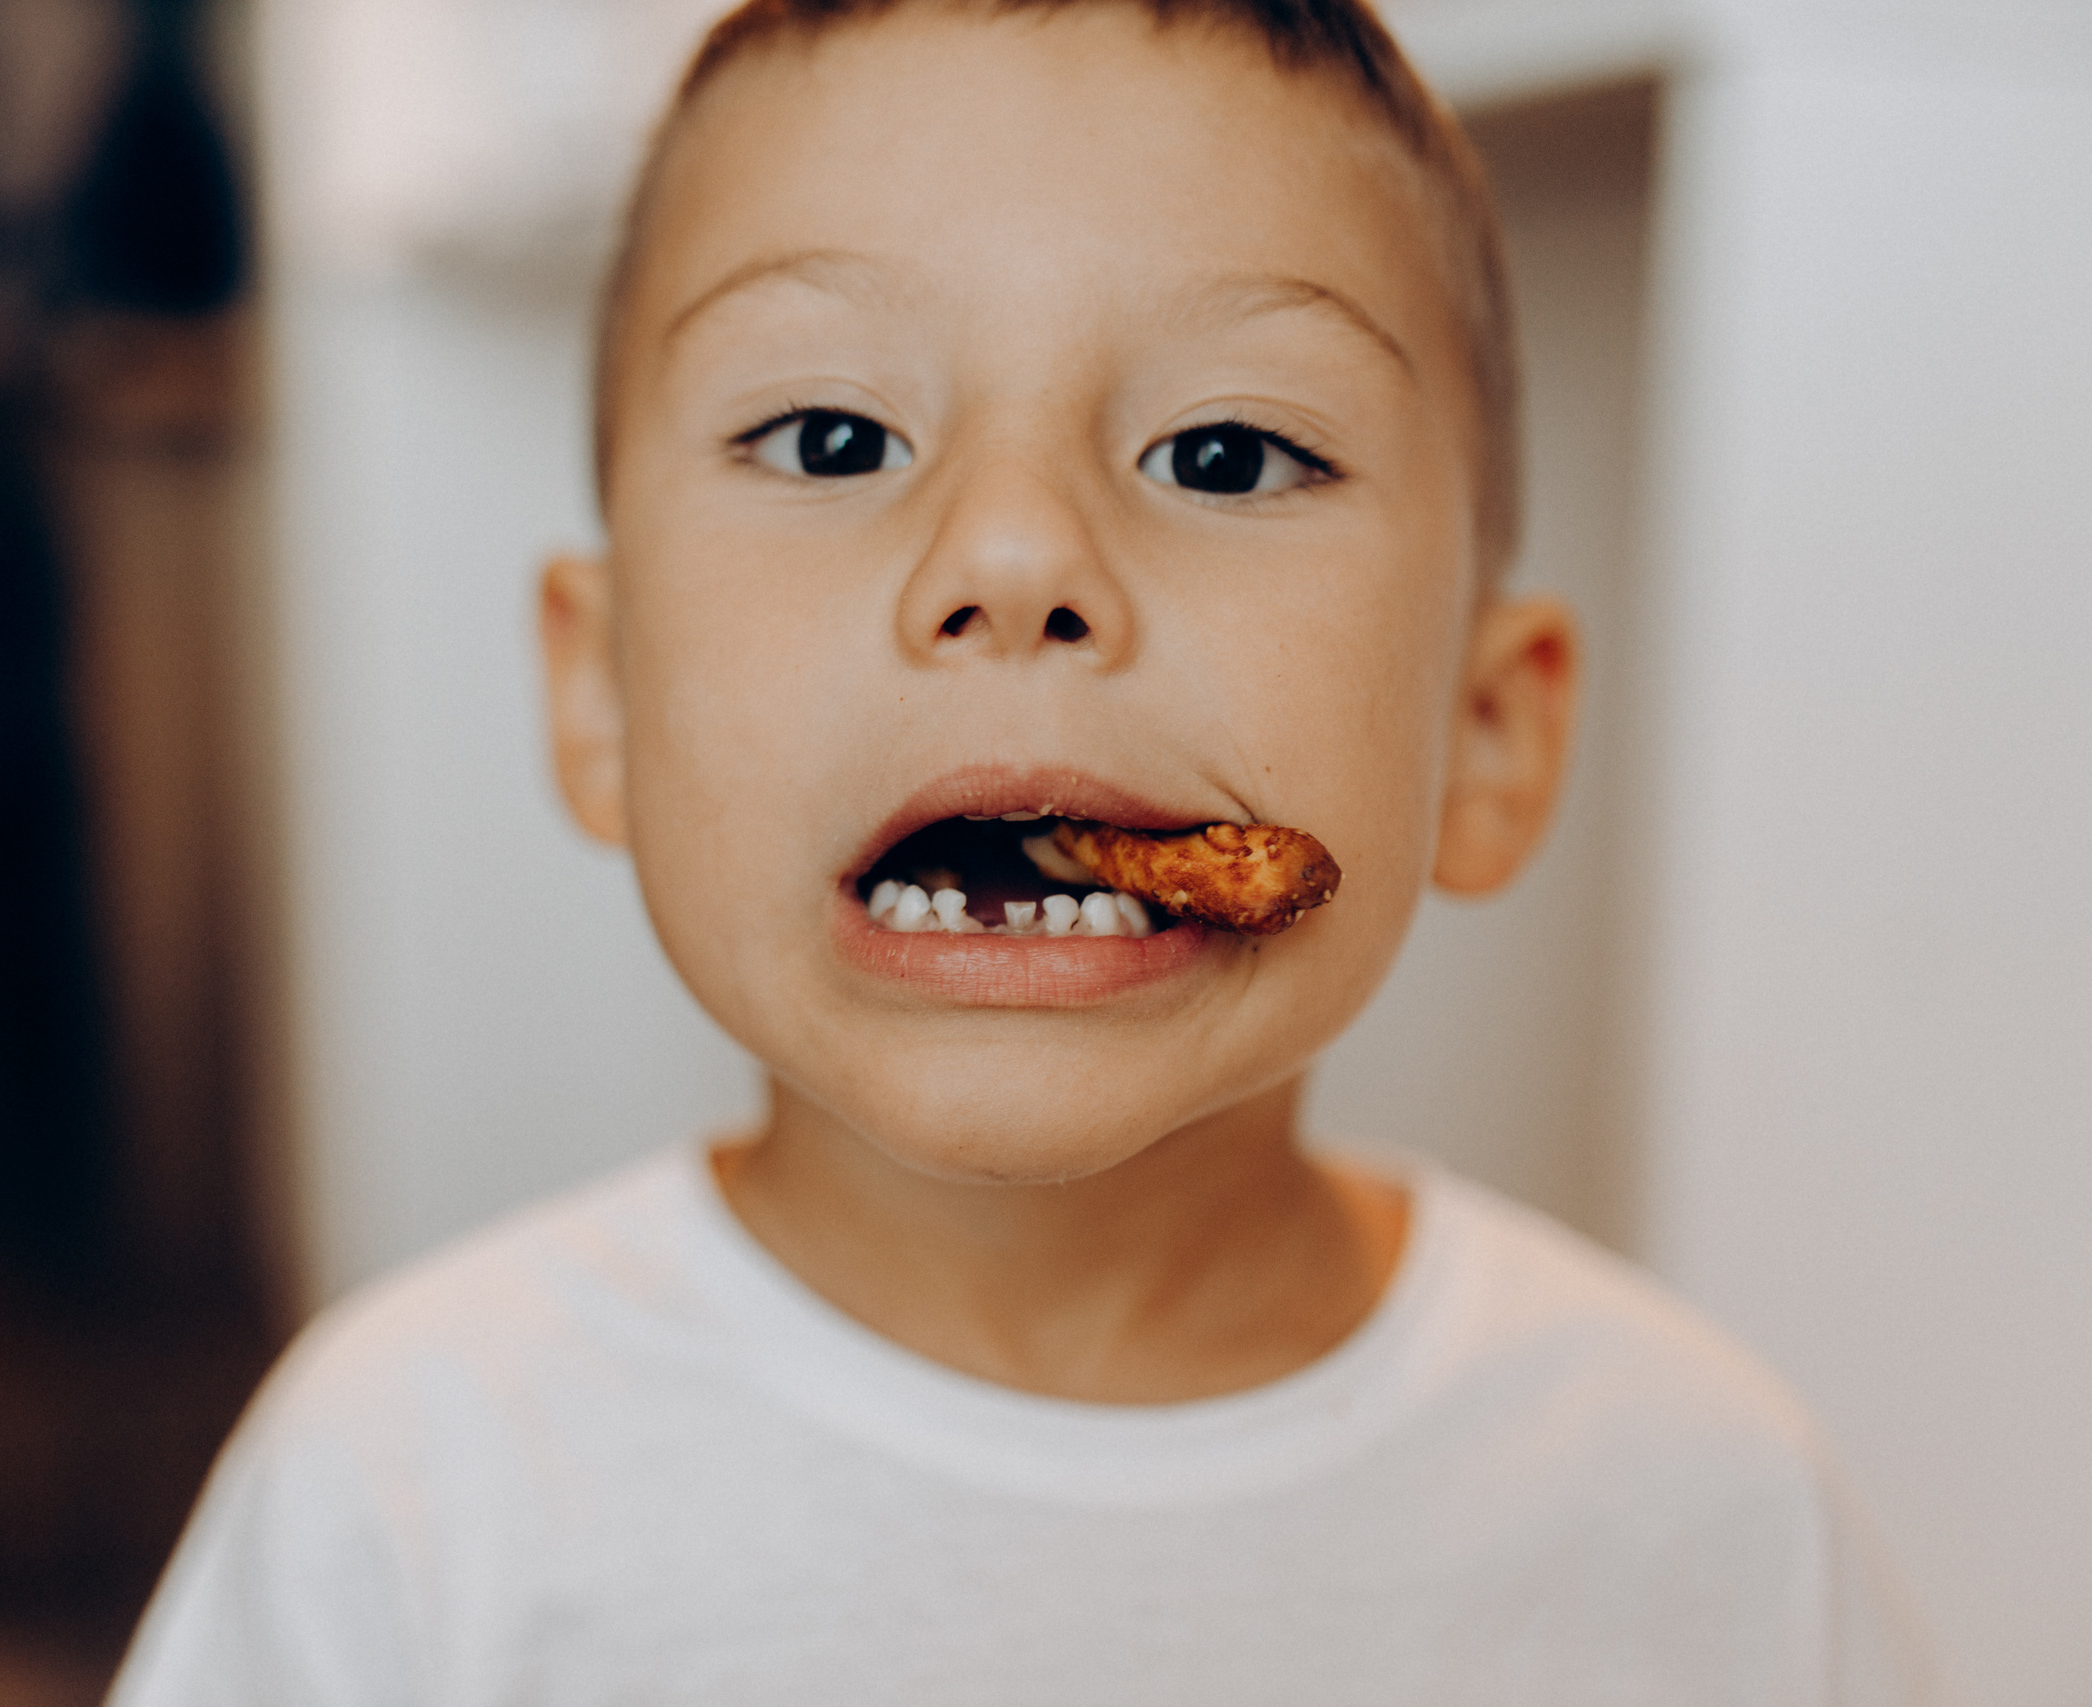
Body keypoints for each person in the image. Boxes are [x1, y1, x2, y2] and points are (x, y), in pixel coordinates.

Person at [110, 2, 1932, 1699]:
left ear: (1484, 733)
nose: (1012, 558)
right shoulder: (414, 1492)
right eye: (833, 436)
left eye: (1224, 453)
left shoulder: (1705, 1517)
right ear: (600, 696)